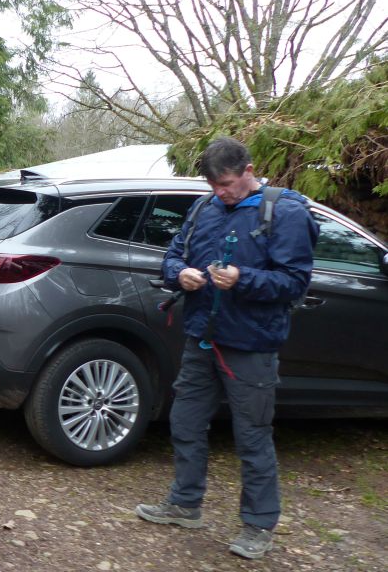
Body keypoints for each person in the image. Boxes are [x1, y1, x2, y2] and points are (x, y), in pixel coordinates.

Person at [135, 137, 318, 560]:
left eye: (228, 184)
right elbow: (171, 258)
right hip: (203, 336)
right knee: (184, 420)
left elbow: (295, 282)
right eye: (215, 185)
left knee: (252, 436)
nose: (221, 192)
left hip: (251, 345)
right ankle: (185, 504)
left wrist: (243, 279)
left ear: (249, 171)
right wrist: (180, 275)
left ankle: (258, 525)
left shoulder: (285, 211)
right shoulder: (205, 209)